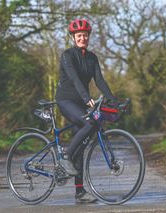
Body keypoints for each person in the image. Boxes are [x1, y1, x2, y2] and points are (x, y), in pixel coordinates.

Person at [55, 19, 116, 203]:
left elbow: (100, 81)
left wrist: (114, 100)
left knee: (82, 143)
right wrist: (85, 98)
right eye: (79, 35)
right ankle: (65, 157)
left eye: (85, 35)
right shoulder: (67, 55)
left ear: (89, 37)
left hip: (82, 103)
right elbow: (74, 78)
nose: (82, 38)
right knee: (90, 123)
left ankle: (80, 193)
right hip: (66, 100)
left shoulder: (92, 58)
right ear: (73, 38)